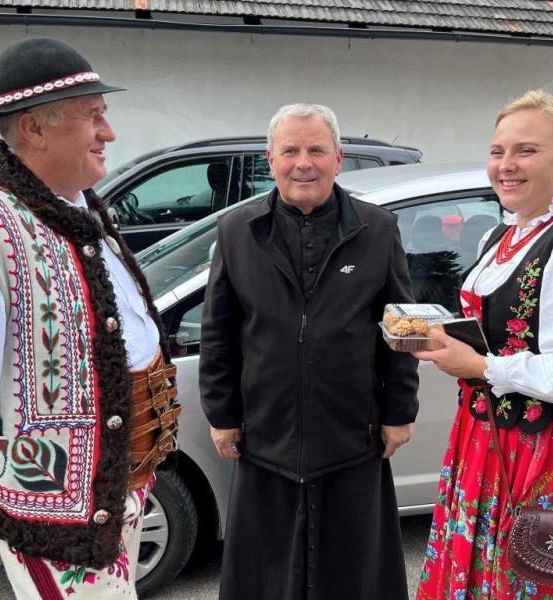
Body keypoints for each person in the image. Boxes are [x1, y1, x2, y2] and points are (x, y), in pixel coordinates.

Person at [0, 38, 180, 599]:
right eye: (93, 115)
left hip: (114, 486)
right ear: (33, 128)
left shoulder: (73, 202)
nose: (109, 132)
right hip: (54, 513)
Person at [415, 90, 553, 600]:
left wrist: (484, 366)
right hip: (487, 436)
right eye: (498, 151)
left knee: (536, 578)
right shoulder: (501, 235)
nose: (506, 165)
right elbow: (504, 330)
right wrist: (450, 339)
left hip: (550, 449)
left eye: (526, 150)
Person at [199, 103, 419, 600]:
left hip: (352, 438)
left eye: (316, 150)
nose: (304, 163)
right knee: (267, 577)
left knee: (354, 576)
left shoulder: (377, 229)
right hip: (266, 438)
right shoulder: (237, 231)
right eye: (290, 151)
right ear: (270, 160)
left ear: (338, 159)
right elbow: (218, 334)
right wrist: (222, 416)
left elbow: (401, 330)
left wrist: (399, 412)